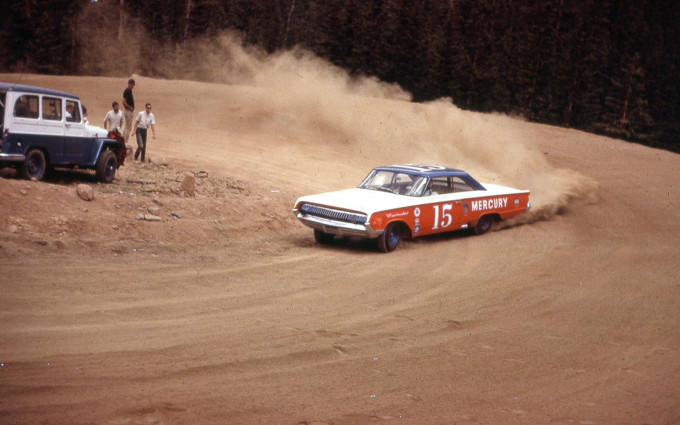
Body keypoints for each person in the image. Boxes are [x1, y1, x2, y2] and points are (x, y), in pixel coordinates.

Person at [122, 78, 135, 144]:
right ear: (129, 84)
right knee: (128, 127)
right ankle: (125, 142)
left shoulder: (129, 91)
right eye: (132, 85)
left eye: (133, 85)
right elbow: (124, 102)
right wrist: (130, 108)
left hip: (129, 111)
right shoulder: (127, 91)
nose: (132, 86)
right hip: (128, 111)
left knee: (127, 127)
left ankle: (123, 140)